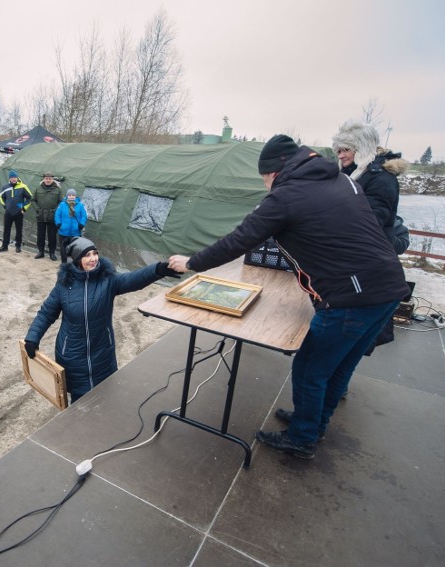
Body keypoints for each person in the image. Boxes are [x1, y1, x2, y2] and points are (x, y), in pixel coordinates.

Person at [167, 134, 410, 460]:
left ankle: (303, 438)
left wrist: (192, 262)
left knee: (310, 369)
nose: (265, 184)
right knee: (337, 369)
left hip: (352, 297)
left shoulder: (287, 196)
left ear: (275, 171)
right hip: (389, 286)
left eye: (264, 177)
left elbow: (240, 239)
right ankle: (314, 423)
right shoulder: (338, 179)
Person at [25, 237, 179, 403]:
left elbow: (133, 279)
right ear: (77, 260)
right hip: (72, 355)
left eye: (95, 253)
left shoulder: (108, 280)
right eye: (87, 255)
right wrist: (33, 337)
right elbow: (46, 313)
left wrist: (158, 270)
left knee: (106, 395)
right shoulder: (64, 285)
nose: (93, 259)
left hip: (102, 352)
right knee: (79, 402)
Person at [332, 120, 410, 352]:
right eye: (338, 150)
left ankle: (334, 384)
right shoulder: (352, 174)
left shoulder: (381, 180)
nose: (341, 155)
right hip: (352, 261)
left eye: (346, 149)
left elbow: (370, 224)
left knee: (349, 339)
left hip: (368, 267)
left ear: (362, 148)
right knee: (343, 338)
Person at [0, 170, 32, 253]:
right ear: (9, 178)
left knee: (19, 230)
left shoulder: (23, 187)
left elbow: (30, 198)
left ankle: (18, 246)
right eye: (12, 177)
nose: (13, 179)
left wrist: (23, 208)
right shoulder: (5, 187)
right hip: (8, 212)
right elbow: (1, 197)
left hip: (19, 212)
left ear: (17, 177)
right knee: (6, 229)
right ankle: (4, 246)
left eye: (15, 177)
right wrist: (5, 205)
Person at [32, 172, 62, 261]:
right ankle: (40, 252)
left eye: (50, 178)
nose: (48, 180)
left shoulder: (58, 189)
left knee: (52, 236)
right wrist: (38, 209)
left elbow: (61, 202)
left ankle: (51, 253)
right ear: (43, 179)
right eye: (46, 178)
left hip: (52, 216)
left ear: (53, 179)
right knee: (40, 235)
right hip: (41, 216)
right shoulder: (38, 188)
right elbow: (33, 200)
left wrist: (55, 211)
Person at [54, 188, 87, 263]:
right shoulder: (62, 205)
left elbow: (84, 216)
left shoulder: (80, 205)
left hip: (75, 231)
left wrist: (81, 224)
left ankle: (74, 262)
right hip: (63, 231)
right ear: (67, 196)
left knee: (75, 248)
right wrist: (58, 223)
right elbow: (57, 215)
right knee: (63, 248)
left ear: (75, 196)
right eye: (70, 195)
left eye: (73, 195)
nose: (71, 196)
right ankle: (64, 262)